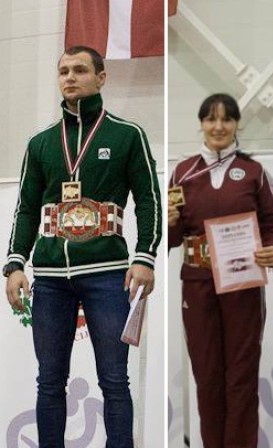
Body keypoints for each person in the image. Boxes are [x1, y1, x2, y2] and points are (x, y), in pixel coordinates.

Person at [3, 45, 161, 448]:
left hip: (108, 273)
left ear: (102, 77)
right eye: (63, 71)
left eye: (79, 70)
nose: (69, 77)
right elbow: (25, 210)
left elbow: (149, 200)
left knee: (113, 379)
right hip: (52, 276)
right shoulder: (40, 144)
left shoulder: (127, 135)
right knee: (49, 380)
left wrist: (145, 257)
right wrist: (15, 264)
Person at [167, 93, 273, 448]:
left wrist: (271, 249)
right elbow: (170, 238)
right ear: (200, 123)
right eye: (211, 119)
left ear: (236, 125)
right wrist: (167, 226)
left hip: (242, 281)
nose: (218, 126)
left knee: (241, 374)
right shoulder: (183, 173)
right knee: (207, 374)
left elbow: (271, 223)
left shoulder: (255, 172)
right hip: (197, 283)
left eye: (227, 119)